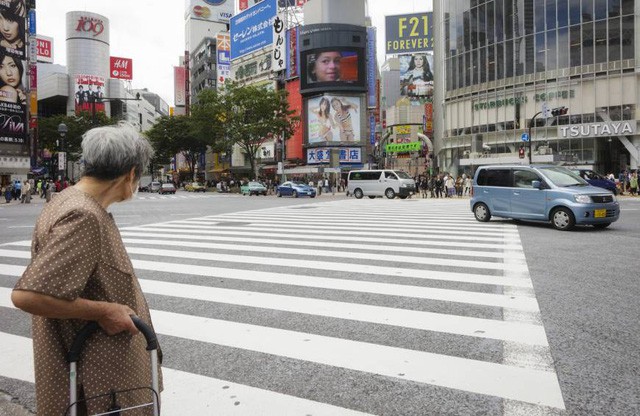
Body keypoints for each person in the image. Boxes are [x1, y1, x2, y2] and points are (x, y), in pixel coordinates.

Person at [11, 123, 162, 415]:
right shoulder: (84, 214)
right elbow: (27, 296)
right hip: (97, 386)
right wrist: (106, 311)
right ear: (131, 173)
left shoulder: (68, 199)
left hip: (94, 375)